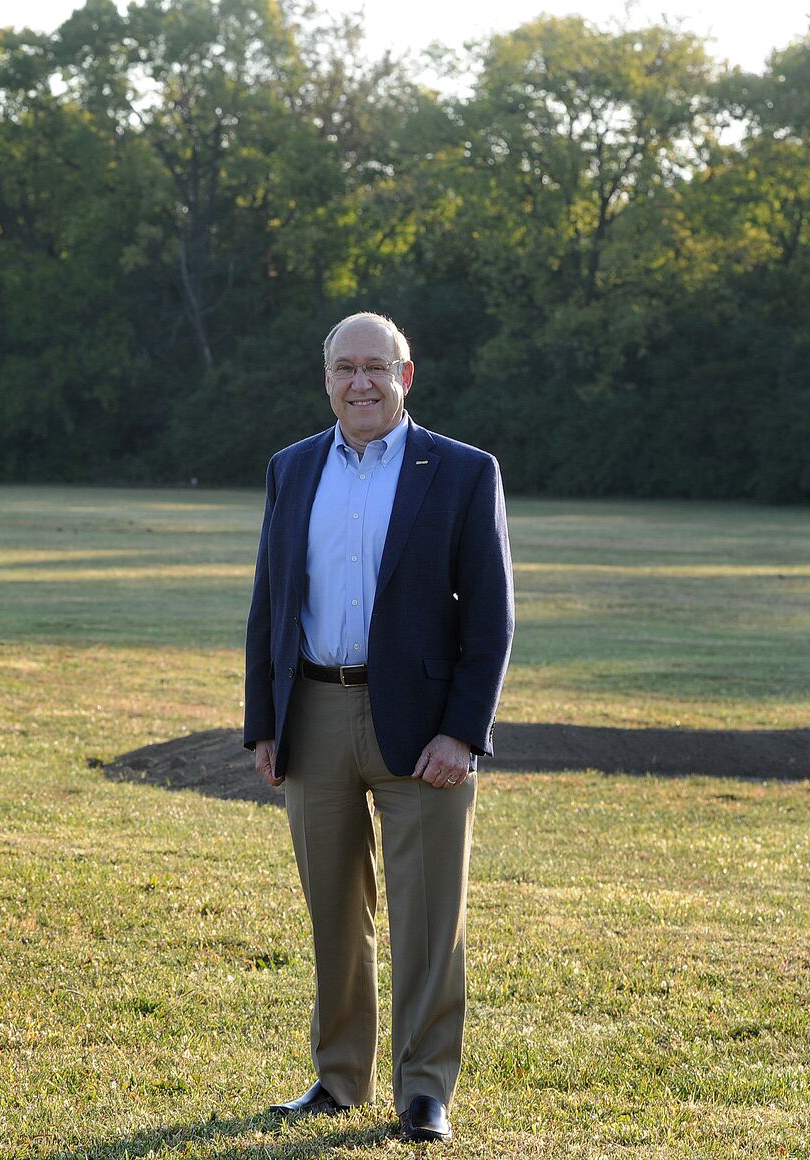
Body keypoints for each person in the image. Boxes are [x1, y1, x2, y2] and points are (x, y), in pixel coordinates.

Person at [244, 312, 513, 1142]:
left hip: (425, 724)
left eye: (376, 367)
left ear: (407, 375)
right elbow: (270, 604)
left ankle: (424, 1090)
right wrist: (265, 723)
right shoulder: (292, 469)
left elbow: (492, 618)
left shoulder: (463, 472)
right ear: (325, 379)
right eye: (343, 369)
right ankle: (336, 1079)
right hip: (314, 712)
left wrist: (463, 733)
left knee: (429, 913)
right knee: (332, 907)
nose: (360, 383)